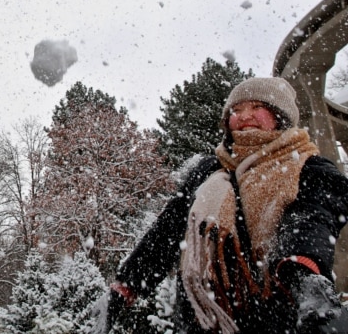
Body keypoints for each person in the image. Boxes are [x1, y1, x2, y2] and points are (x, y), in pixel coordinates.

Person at [105, 77, 348, 333]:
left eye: (257, 107)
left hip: (276, 316)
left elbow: (311, 220)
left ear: (280, 115)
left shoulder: (308, 167)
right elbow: (166, 233)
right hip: (204, 318)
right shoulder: (208, 171)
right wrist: (126, 285)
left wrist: (303, 274)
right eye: (236, 110)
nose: (244, 116)